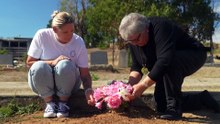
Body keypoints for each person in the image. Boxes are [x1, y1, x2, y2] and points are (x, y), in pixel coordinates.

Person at [118, 13, 219, 120]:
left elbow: (165, 60)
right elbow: (136, 66)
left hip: (194, 54)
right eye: (130, 41)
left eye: (137, 39)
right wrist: (129, 87)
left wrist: (143, 85)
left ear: (146, 29)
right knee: (160, 104)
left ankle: (174, 109)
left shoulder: (161, 27)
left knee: (171, 60)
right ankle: (202, 99)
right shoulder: (134, 39)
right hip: (166, 65)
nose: (134, 44)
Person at [26, 11, 94, 118]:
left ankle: (63, 103)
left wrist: (88, 90)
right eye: (65, 32)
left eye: (72, 31)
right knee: (39, 66)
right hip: (42, 80)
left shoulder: (78, 42)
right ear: (55, 30)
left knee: (65, 64)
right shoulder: (42, 35)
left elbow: (84, 74)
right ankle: (50, 103)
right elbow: (29, 62)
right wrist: (52, 62)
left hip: (68, 83)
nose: (70, 35)